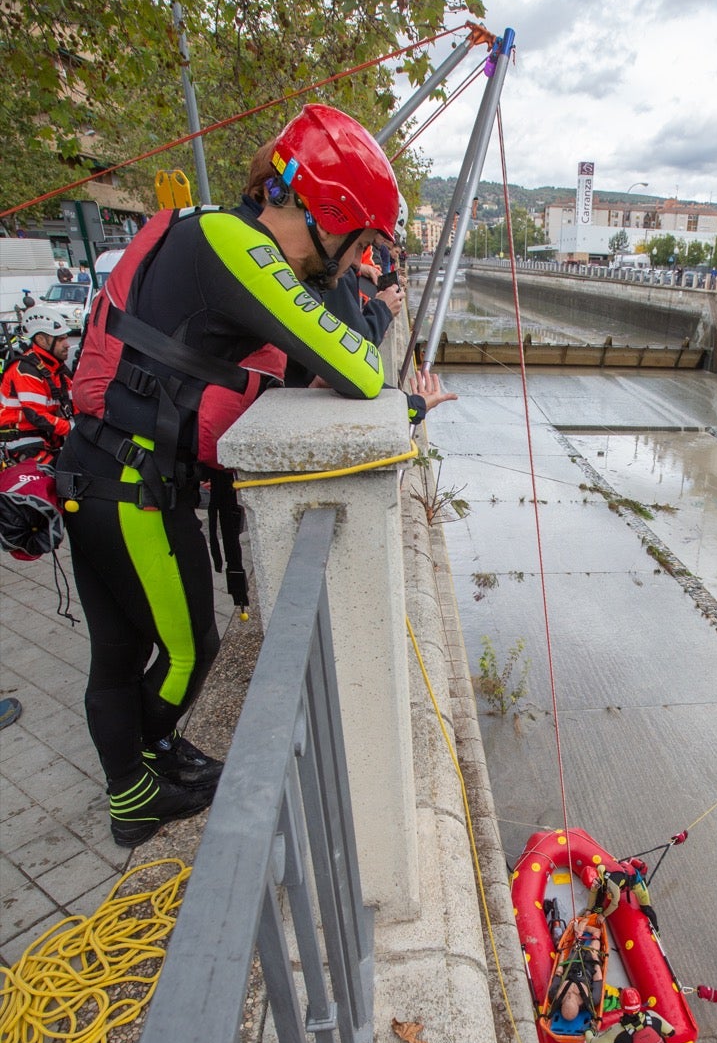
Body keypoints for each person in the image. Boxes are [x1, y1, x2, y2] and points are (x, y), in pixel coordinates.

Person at [55, 103, 455, 849]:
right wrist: (364, 335)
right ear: (328, 214)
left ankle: (146, 769)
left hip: (97, 472)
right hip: (134, 491)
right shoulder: (233, 245)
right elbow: (356, 367)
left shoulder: (207, 229)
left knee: (117, 651)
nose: (351, 259)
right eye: (357, 240)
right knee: (187, 649)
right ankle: (139, 793)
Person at [0, 303, 75, 458]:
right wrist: (72, 428)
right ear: (41, 339)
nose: (67, 345)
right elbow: (37, 415)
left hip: (43, 438)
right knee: (54, 477)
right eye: (61, 339)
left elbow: (76, 402)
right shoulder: (25, 370)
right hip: (20, 441)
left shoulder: (57, 369)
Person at [582, 855, 659, 930]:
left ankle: (656, 929)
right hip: (619, 876)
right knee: (601, 888)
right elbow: (593, 891)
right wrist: (588, 909)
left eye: (595, 883)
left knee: (646, 909)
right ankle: (598, 908)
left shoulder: (612, 883)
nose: (594, 885)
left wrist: (603, 915)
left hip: (636, 883)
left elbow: (615, 903)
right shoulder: (598, 869)